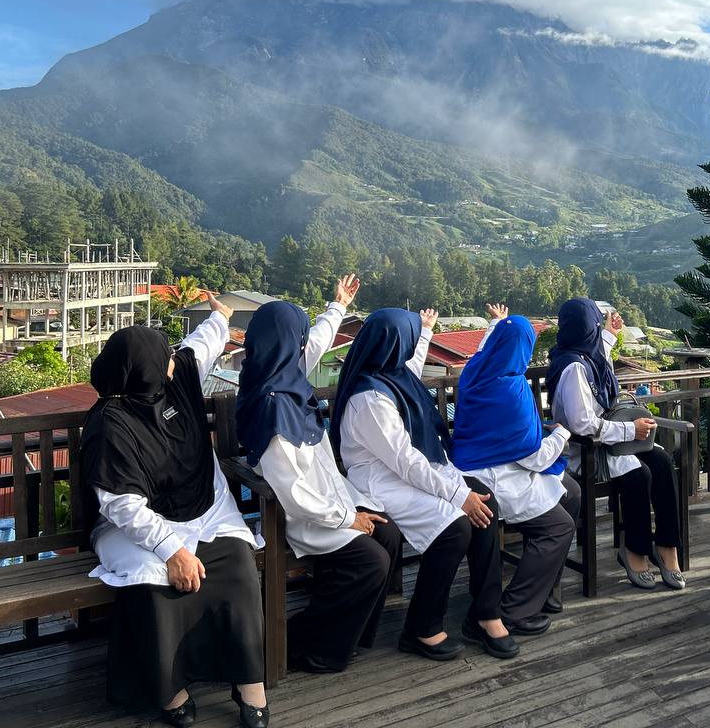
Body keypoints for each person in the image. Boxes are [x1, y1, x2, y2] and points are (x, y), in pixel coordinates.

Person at [81, 294, 270, 728]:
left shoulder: (176, 378)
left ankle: (249, 681)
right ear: (144, 369)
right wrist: (172, 549)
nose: (173, 360)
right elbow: (121, 504)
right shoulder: (111, 423)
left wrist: (221, 316)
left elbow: (202, 343)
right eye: (164, 356)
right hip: (132, 527)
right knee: (156, 582)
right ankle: (170, 691)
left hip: (203, 509)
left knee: (237, 564)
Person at [330, 307, 519, 661]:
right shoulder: (369, 398)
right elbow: (404, 459)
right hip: (381, 483)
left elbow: (414, 367)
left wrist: (428, 330)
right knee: (455, 528)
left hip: (412, 472)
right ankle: (422, 626)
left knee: (486, 504)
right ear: (396, 344)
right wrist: (457, 495)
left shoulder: (393, 374)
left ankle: (485, 612)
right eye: (412, 337)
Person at [236, 277, 402, 674]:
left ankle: (350, 633)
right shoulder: (273, 405)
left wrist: (338, 306)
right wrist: (348, 518)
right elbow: (292, 493)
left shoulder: (282, 374)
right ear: (287, 345)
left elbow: (316, 343)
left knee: (389, 535)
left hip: (330, 498)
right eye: (298, 338)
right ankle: (305, 645)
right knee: (371, 560)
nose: (303, 348)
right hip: (300, 516)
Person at [451, 304, 578, 632]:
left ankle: (546, 587)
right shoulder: (510, 389)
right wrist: (563, 431)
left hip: (470, 469)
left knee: (572, 493)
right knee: (559, 527)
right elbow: (534, 458)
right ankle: (515, 610)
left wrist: (497, 322)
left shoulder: (477, 369)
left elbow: (486, 343)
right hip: (497, 479)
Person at [546, 298, 684, 591]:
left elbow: (600, 358)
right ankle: (634, 550)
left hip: (610, 440)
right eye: (596, 325)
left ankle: (667, 545)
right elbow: (583, 425)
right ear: (588, 330)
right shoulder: (573, 368)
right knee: (640, 475)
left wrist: (611, 333)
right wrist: (630, 430)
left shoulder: (586, 355)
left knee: (662, 463)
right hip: (588, 449)